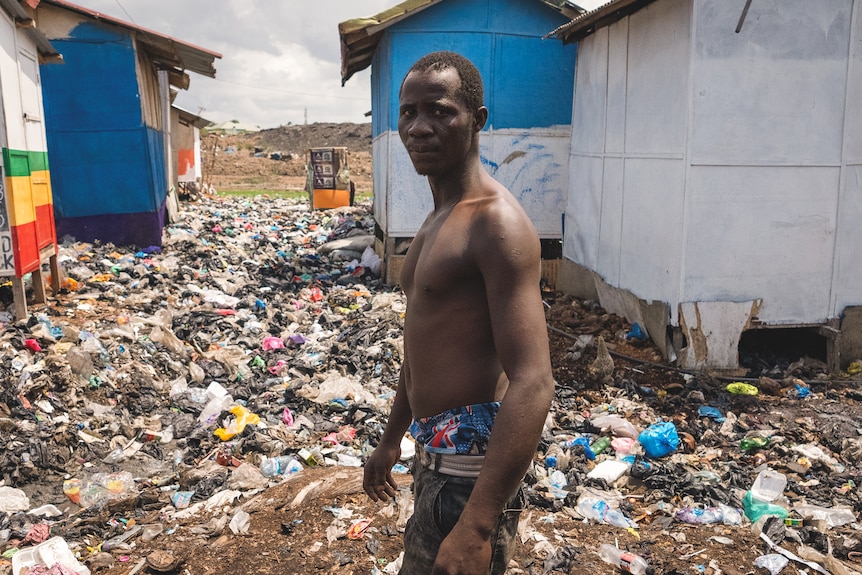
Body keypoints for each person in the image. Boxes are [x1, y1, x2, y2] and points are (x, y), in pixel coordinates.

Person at [362, 51, 555, 575]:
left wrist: (477, 524)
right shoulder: (435, 220)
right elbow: (421, 350)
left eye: (440, 111)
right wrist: (391, 440)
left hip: (470, 474)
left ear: (477, 120)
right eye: (408, 113)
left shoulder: (496, 224)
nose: (419, 127)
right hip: (434, 461)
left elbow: (534, 381)